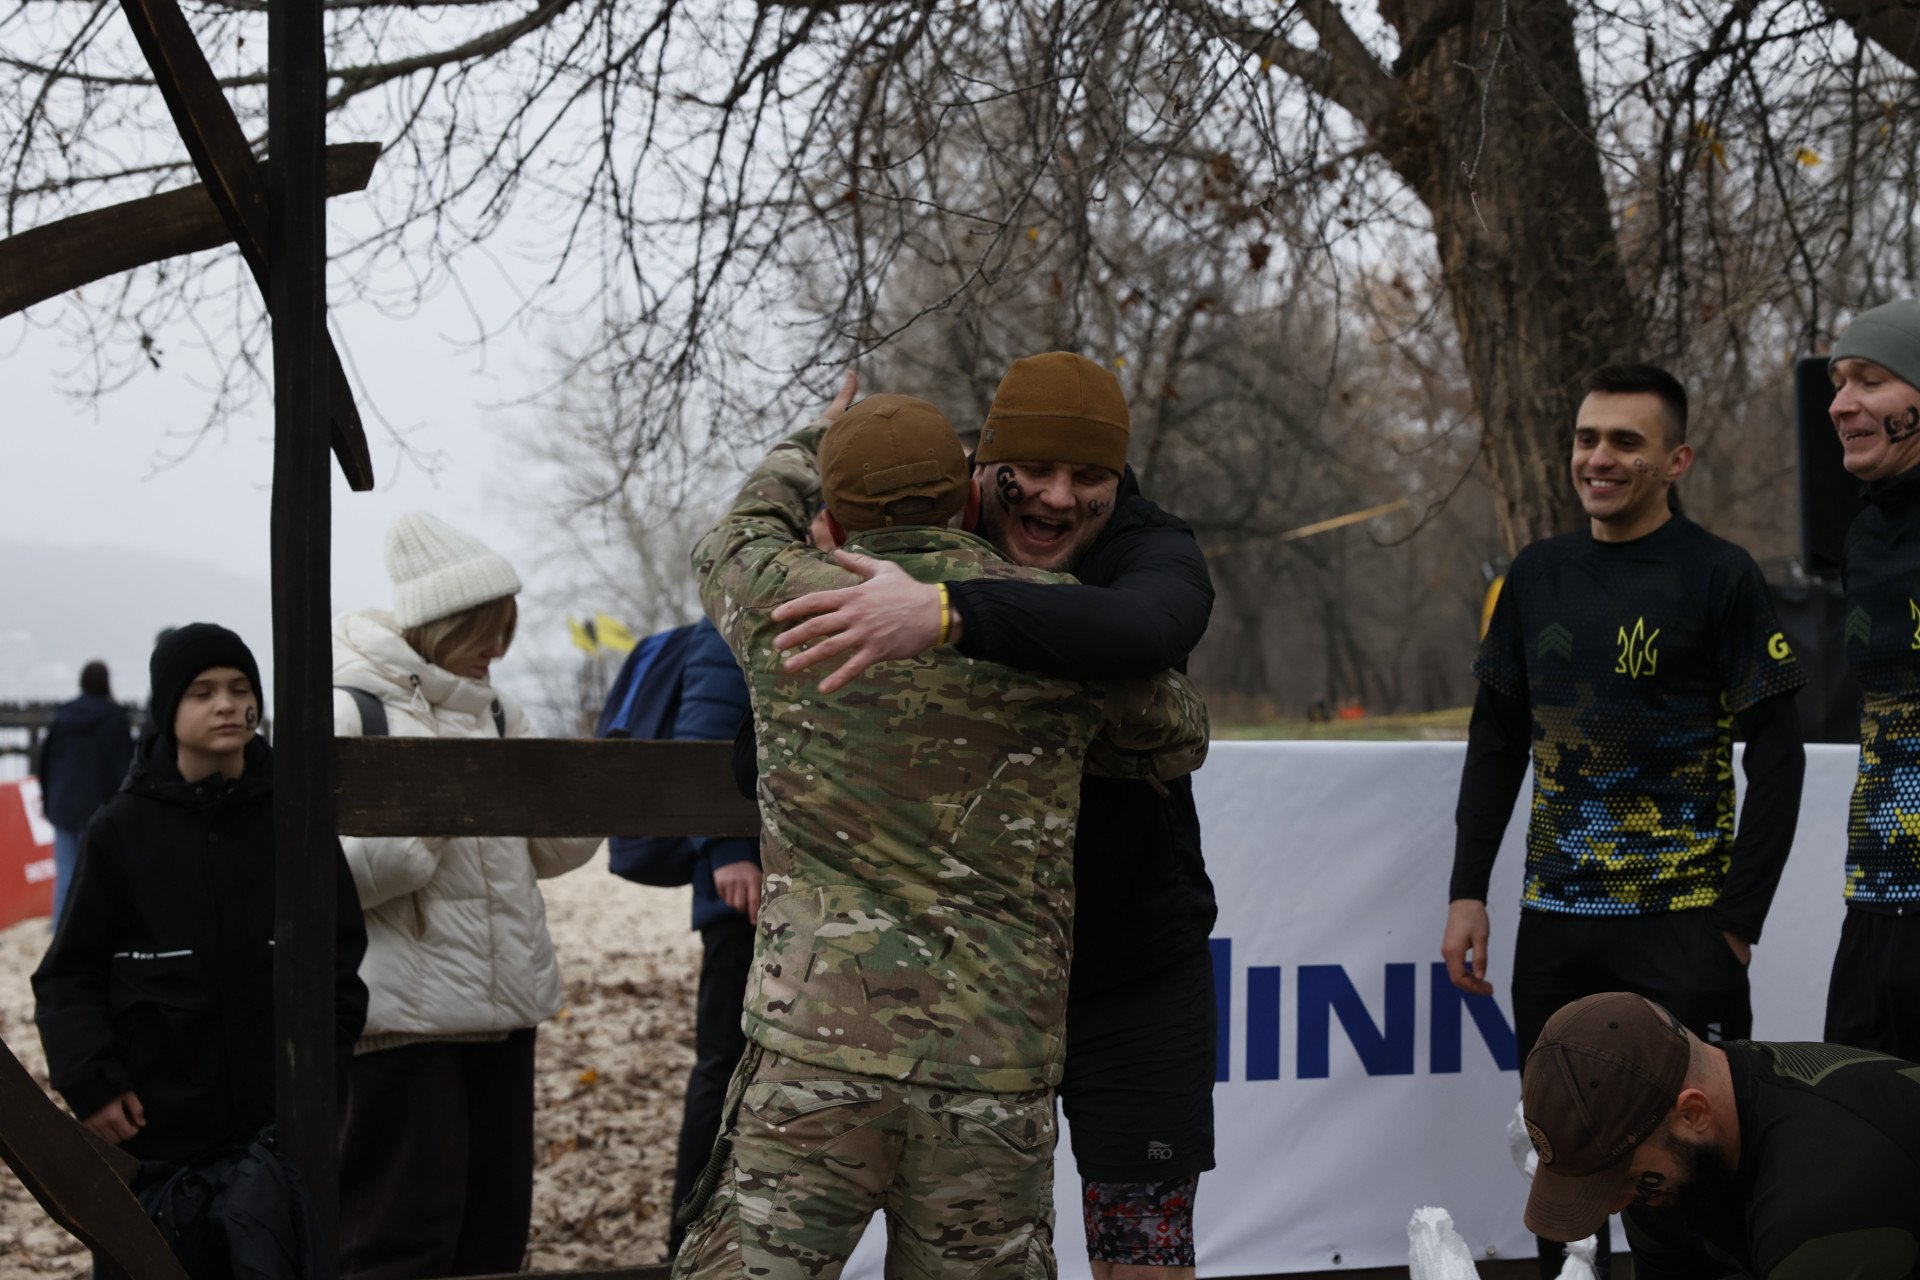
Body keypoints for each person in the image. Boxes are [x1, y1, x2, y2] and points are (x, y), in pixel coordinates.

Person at [674, 391, 1210, 1279]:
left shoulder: (780, 593)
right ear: (970, 496)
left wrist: (818, 435)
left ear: (835, 515)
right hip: (993, 1067)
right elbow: (1178, 730)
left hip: (815, 1051)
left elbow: (738, 528)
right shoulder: (1047, 617)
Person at [1439, 364, 1807, 1277]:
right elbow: (1496, 743)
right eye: (1586, 438)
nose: (1598, 458)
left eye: (1625, 442)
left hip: (1684, 931)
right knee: (1562, 1170)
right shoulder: (1536, 574)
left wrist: (1736, 923)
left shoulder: (1721, 575)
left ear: (1675, 459)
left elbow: (1780, 755)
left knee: (1691, 1189)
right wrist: (1466, 893)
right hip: (1559, 929)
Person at [332, 512, 600, 1280]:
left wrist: (579, 798)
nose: (498, 650)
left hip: (505, 1010)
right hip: (401, 1024)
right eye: (486, 630)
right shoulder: (352, 708)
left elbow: (547, 852)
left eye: (506, 631)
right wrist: (437, 815)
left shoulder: (495, 710)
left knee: (493, 1235)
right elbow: (316, 874)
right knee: (397, 1240)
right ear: (441, 626)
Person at [33, 624, 368, 1167]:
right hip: (158, 1128)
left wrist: (322, 1063)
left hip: (282, 1123)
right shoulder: (121, 829)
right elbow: (68, 974)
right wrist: (92, 1083)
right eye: (203, 691)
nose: (227, 705)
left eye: (241, 689)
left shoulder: (294, 817)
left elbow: (340, 949)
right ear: (168, 706)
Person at [1521, 991, 1920, 1279]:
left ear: (1693, 1113)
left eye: (1620, 1178)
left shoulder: (1826, 1196)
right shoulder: (1668, 1157)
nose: (1615, 1205)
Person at [604, 617, 762, 1263]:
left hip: (780, 882)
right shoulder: (733, 616)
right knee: (724, 1067)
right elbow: (705, 732)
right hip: (743, 891)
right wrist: (727, 850)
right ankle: (689, 1244)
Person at [1825, 300, 1920, 1061]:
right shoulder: (1864, 532)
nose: (1840, 403)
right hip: (1880, 897)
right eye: (1837, 383)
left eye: (1870, 381)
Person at [35, 660, 133, 925]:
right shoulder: (115, 717)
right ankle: (92, 931)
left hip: (63, 804)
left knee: (66, 873)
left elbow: (44, 762)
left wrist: (47, 800)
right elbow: (124, 766)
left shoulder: (63, 715)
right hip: (100, 807)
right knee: (99, 874)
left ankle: (60, 930)